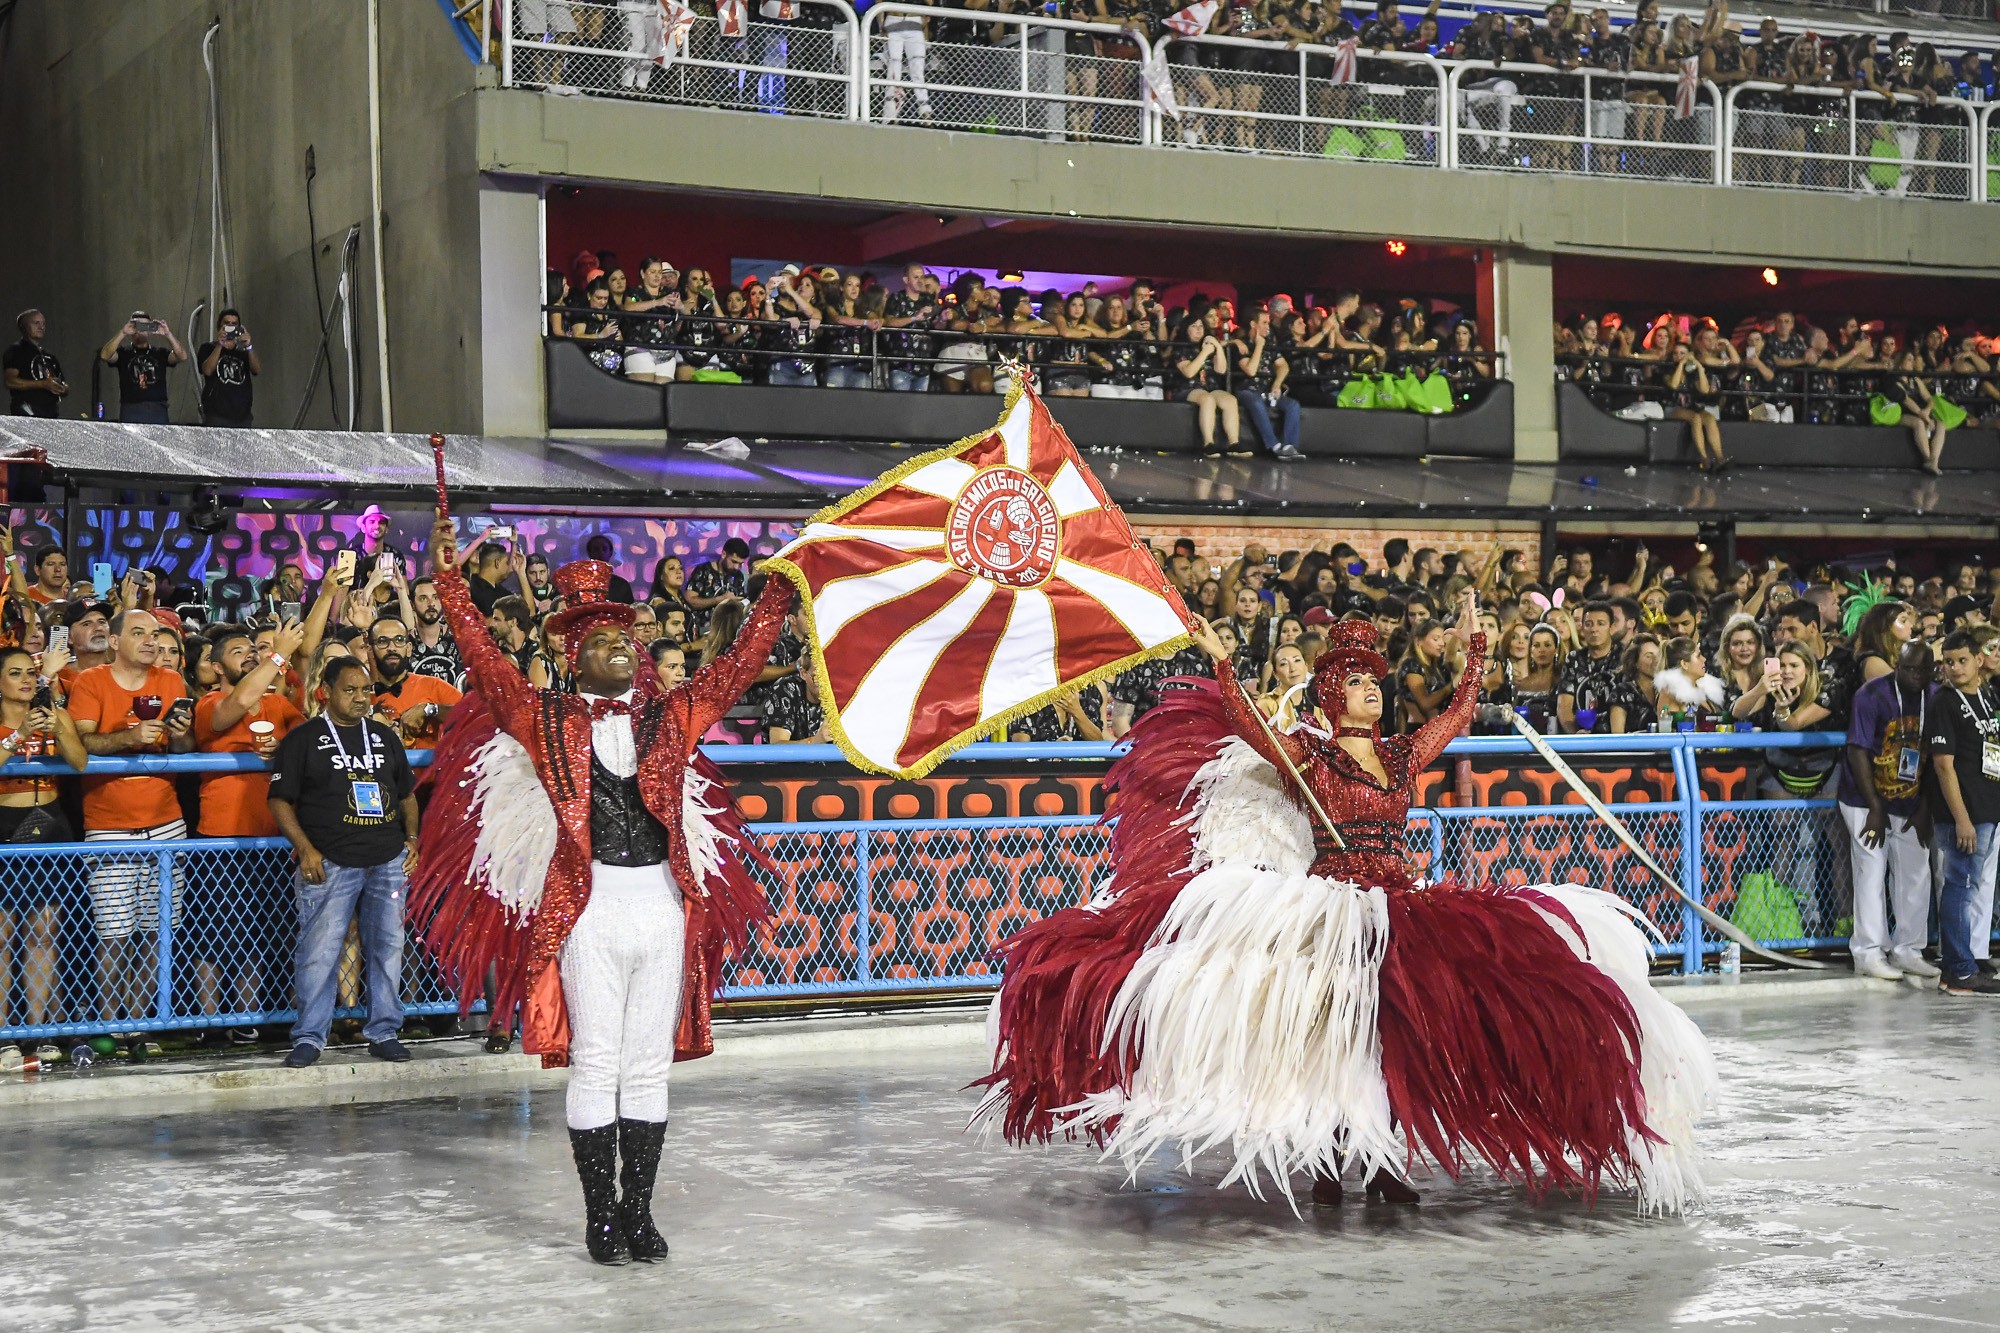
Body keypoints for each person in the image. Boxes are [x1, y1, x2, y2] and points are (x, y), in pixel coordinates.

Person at [976, 593, 1713, 1215]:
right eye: (1360, 682)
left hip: (1398, 911)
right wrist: (1218, 656)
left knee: (1393, 1038)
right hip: (1328, 915)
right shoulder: (1311, 755)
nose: (1373, 692)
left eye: (1375, 682)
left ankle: (1385, 1162)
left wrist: (1477, 645)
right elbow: (1250, 725)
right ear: (1334, 693)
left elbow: (1455, 718)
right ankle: (1330, 1163)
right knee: (1332, 1042)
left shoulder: (1397, 755)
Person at [411, 524, 793, 1265]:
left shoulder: (670, 714)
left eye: (627, 637)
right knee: (597, 1060)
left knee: (646, 1063)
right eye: (603, 639)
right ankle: (600, 1217)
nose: (622, 646)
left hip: (660, 904)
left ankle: (638, 1211)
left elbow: (740, 665)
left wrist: (777, 592)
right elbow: (485, 662)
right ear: (570, 654)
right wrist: (449, 581)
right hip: (586, 909)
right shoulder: (543, 716)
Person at [269, 657, 420, 1067]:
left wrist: (411, 840)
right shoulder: (303, 739)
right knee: (320, 950)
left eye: (365, 690)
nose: (360, 698)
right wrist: (305, 848)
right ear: (327, 692)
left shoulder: (384, 737)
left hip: (387, 858)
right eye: (350, 690)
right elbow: (279, 800)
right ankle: (310, 1038)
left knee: (389, 946)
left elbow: (406, 794)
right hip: (331, 859)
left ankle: (384, 1030)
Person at [69, 609, 197, 1029]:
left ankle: (139, 1026)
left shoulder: (172, 681)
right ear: (114, 641)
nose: (150, 642)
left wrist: (180, 736)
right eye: (139, 633)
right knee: (114, 935)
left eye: (155, 635)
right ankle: (109, 1023)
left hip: (167, 823)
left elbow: (185, 752)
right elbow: (81, 744)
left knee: (156, 933)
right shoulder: (91, 682)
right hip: (108, 826)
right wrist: (129, 737)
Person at [191, 622, 307, 1039]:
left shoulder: (277, 707)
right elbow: (237, 703)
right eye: (238, 651)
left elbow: (307, 738)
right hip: (221, 837)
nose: (249, 655)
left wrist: (284, 749)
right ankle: (208, 1021)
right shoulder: (208, 703)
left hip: (274, 836)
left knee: (258, 932)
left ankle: (247, 1019)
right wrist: (278, 656)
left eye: (251, 650)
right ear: (218, 666)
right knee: (213, 932)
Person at [0, 645, 87, 1040]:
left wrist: (57, 730)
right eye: (16, 673)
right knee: (3, 938)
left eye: (30, 673)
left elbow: (80, 762)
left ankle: (37, 1031)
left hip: (49, 823)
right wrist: (18, 736)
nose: (26, 680)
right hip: (6, 825)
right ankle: (3, 1032)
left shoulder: (53, 713)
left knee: (43, 932)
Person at [1840, 640, 1938, 982]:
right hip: (1864, 799)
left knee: (1916, 873)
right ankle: (1868, 952)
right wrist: (1875, 808)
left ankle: (1908, 949)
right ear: (1897, 664)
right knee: (1870, 870)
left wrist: (1925, 807)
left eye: (1919, 670)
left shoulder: (1935, 697)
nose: (1912, 675)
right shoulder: (1871, 695)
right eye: (1906, 667)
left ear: (1931, 671)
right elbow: (1857, 751)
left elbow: (1937, 758)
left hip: (1910, 800)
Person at [1927, 631, 2000, 996]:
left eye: (1961, 660)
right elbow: (1943, 766)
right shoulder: (1944, 702)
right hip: (1964, 811)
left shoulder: (1987, 695)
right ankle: (1958, 971)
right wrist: (1961, 818)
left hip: (1987, 806)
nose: (1954, 668)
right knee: (1960, 885)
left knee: (1970, 886)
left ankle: (1961, 967)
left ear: (1978, 660)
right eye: (1948, 661)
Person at [367, 615, 461, 746]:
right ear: (370, 651)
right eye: (383, 641)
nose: (392, 648)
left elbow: (472, 713)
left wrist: (429, 709)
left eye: (399, 640)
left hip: (427, 766)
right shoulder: (360, 695)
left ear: (409, 648)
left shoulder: (432, 685)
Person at [98, 313, 187, 425]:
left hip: (157, 409)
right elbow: (105, 355)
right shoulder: (123, 353)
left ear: (150, 329)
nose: (140, 330)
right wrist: (123, 332)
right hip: (131, 409)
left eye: (145, 326)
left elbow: (182, 356)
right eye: (137, 326)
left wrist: (168, 334)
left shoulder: (160, 353)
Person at [197, 309, 261, 427]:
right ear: (219, 326)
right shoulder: (208, 347)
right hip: (216, 414)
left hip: (242, 415)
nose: (231, 327)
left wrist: (249, 346)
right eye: (227, 324)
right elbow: (207, 370)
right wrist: (219, 345)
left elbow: (256, 369)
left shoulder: (243, 352)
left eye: (234, 324)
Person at [5, 309, 68, 418]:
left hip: (51, 414)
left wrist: (63, 388)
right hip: (26, 413)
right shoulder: (15, 351)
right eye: (36, 323)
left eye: (43, 323)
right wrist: (43, 384)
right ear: (24, 326)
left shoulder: (50, 356)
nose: (41, 327)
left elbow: (61, 381)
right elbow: (10, 381)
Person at [685, 537, 751, 640]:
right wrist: (718, 600)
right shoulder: (703, 571)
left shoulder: (739, 576)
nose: (736, 567)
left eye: (740, 564)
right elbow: (690, 600)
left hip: (730, 636)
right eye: (734, 562)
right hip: (703, 635)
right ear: (724, 554)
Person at [583, 535, 637, 602]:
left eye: (604, 549)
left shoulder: (622, 585)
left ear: (610, 553)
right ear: (589, 553)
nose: (601, 552)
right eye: (596, 549)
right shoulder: (583, 585)